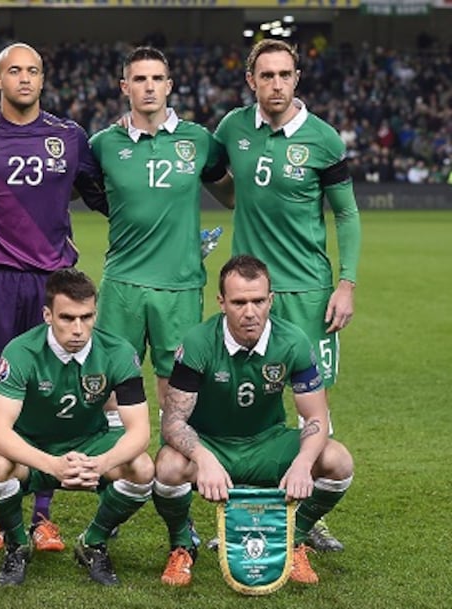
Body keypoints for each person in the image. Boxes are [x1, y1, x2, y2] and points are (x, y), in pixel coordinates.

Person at [0, 42, 108, 555]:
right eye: (13, 71)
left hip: (51, 280)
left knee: (43, 392)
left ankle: (42, 515)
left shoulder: (70, 137)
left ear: (44, 80)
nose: (24, 78)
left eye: (33, 71)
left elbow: (101, 195)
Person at [215, 39, 361, 552]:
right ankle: (246, 510)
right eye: (266, 75)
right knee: (248, 398)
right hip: (250, 293)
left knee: (311, 407)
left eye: (285, 74)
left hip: (309, 292)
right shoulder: (232, 128)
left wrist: (347, 282)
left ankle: (306, 519)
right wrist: (238, 202)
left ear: (297, 78)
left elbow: (346, 213)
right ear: (250, 79)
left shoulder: (322, 139)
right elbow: (216, 179)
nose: (276, 84)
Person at [154, 255, 354, 586]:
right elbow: (173, 422)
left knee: (338, 460)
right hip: (213, 444)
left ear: (271, 299)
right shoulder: (198, 343)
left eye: (259, 301)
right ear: (222, 302)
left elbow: (316, 416)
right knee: (167, 466)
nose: (250, 312)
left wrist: (303, 463)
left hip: (267, 444)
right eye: (239, 302)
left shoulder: (293, 342)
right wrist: (203, 458)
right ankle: (182, 546)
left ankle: (294, 539)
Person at [0, 268, 154, 586]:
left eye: (86, 318)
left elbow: (140, 431)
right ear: (47, 314)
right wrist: (52, 465)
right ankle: (18, 545)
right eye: (67, 318)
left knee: (142, 469)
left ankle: (93, 542)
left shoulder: (118, 353)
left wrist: (101, 463)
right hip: (32, 445)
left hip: (91, 443)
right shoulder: (21, 352)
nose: (78, 329)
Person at [90, 46, 232, 412]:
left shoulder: (199, 141)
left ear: (169, 85)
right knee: (112, 377)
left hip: (180, 283)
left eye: (156, 79)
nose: (149, 87)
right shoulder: (104, 144)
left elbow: (230, 194)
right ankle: (119, 463)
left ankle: (173, 461)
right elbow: (69, 191)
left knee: (177, 381)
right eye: (140, 79)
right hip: (123, 281)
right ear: (125, 87)